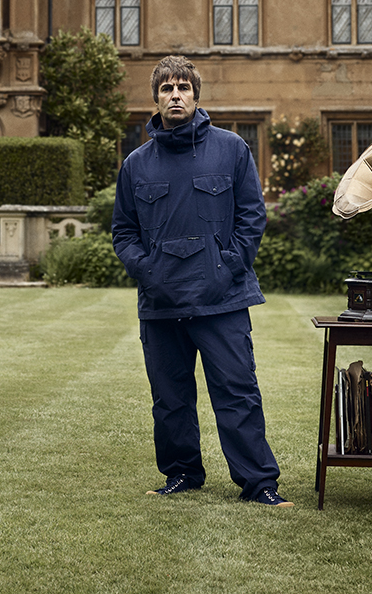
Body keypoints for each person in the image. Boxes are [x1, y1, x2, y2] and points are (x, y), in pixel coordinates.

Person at [112, 55, 292, 507]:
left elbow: (252, 216)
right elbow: (124, 231)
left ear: (196, 95)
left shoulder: (232, 149)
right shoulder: (136, 164)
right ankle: (182, 474)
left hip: (223, 298)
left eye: (183, 88)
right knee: (170, 399)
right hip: (162, 301)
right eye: (167, 88)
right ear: (155, 98)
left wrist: (227, 267)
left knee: (237, 392)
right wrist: (149, 270)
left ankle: (259, 485)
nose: (176, 95)